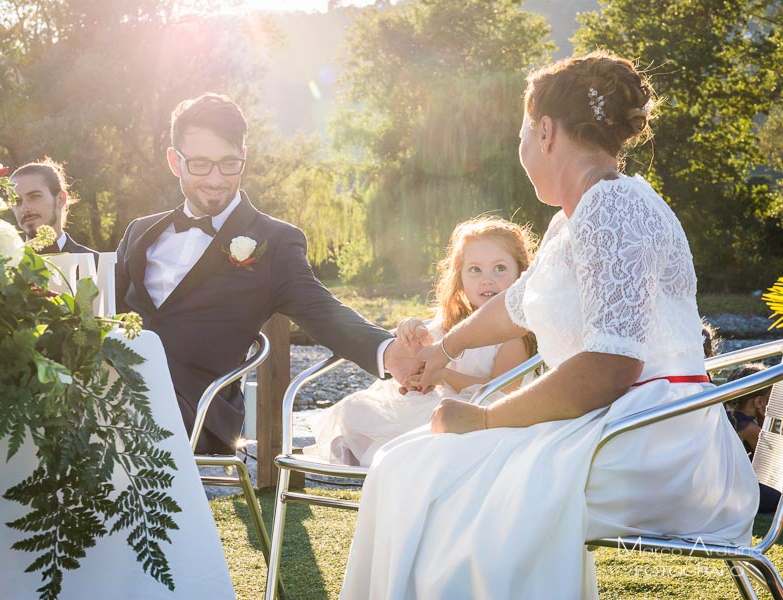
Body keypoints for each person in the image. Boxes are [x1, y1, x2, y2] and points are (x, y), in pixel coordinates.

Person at [340, 51, 758, 598]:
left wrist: (486, 421)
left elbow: (609, 367)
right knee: (406, 464)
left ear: (544, 132)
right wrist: (444, 348)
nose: (520, 151)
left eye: (520, 136)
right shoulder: (577, 216)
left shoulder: (613, 209)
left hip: (651, 440)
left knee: (427, 474)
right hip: (612, 423)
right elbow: (521, 303)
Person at [114, 93, 413, 454]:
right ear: (174, 162)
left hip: (200, 407)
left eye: (229, 164)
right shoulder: (139, 232)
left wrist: (389, 350)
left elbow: (323, 311)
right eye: (200, 165)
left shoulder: (274, 241)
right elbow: (100, 313)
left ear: (244, 156)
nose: (215, 179)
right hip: (118, 384)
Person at [304, 216, 536, 466]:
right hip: (433, 402)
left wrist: (443, 376)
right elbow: (424, 354)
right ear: (459, 278)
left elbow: (502, 393)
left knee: (429, 426)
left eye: (499, 268)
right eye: (475, 270)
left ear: (520, 274)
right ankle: (362, 451)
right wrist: (412, 332)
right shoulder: (451, 322)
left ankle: (381, 458)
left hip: (475, 414)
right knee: (355, 408)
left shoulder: (514, 335)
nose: (487, 279)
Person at [10, 159, 97, 256]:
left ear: (60, 199)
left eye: (34, 197)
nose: (24, 209)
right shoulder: (0, 267)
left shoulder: (98, 264)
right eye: (17, 201)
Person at [724, 362, 780, 513]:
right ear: (759, 401)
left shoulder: (723, 417)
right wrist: (769, 421)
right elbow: (774, 467)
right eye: (772, 399)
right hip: (739, 494)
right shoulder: (750, 429)